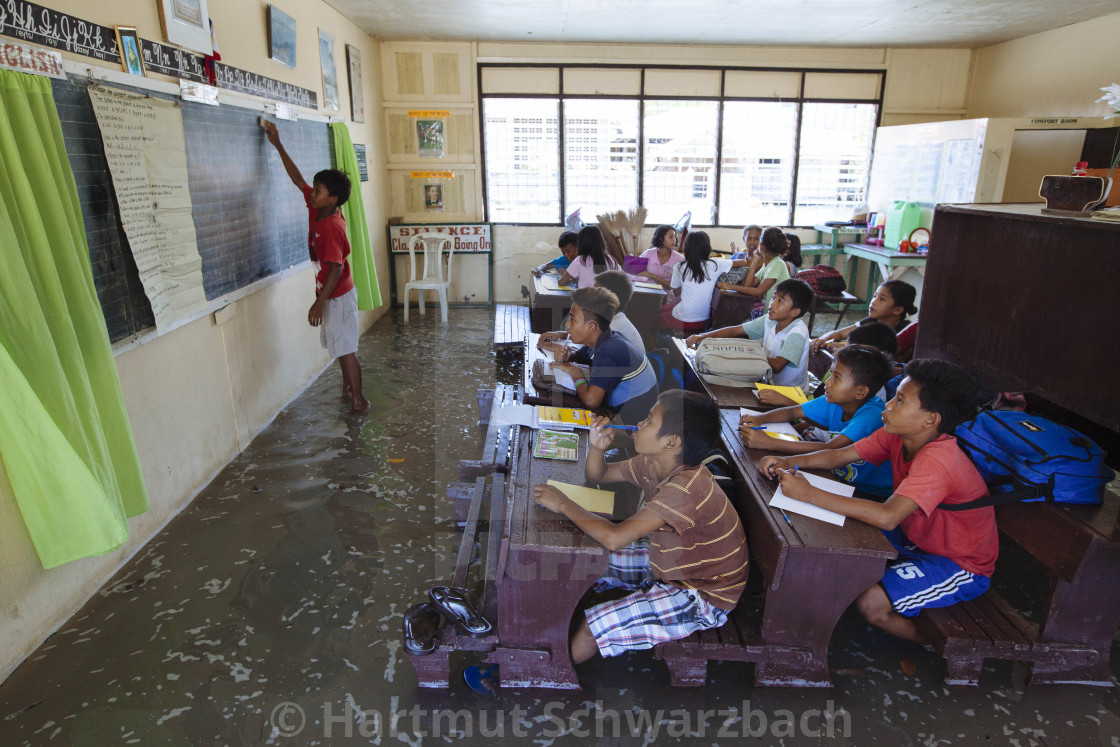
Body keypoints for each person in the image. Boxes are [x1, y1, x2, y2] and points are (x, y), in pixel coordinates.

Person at [757, 359, 996, 645]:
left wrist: (809, 493)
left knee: (871, 603)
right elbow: (837, 456)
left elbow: (887, 517)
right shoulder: (897, 434)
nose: (888, 405)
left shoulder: (939, 459)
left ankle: (942, 651)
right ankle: (802, 613)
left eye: (900, 401)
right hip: (916, 538)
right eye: (895, 396)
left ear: (930, 420)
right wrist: (788, 462)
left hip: (959, 562)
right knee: (843, 535)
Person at [532, 390, 749, 665]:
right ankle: (550, 629)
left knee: (593, 627)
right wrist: (598, 448)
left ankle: (547, 674)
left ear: (671, 442)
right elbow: (598, 474)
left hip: (704, 595)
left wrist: (563, 503)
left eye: (648, 421)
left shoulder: (687, 489)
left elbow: (614, 538)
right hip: (674, 560)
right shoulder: (652, 462)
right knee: (584, 558)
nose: (637, 425)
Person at [262, 120, 368, 414]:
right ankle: (348, 389)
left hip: (337, 294)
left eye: (318, 190)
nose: (312, 192)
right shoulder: (319, 207)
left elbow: (334, 267)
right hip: (331, 293)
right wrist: (277, 144)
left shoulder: (332, 225)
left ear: (332, 199)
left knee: (345, 348)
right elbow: (298, 180)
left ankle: (359, 400)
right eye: (315, 187)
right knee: (339, 344)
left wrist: (318, 303)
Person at [740, 345, 895, 497]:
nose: (827, 382)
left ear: (860, 392)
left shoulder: (872, 415)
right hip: (837, 477)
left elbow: (831, 449)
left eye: (836, 377)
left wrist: (769, 443)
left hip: (871, 492)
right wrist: (758, 419)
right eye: (831, 374)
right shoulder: (834, 400)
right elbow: (793, 411)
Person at [543, 286, 658, 425]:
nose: (567, 324)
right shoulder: (606, 339)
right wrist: (567, 355)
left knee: (559, 419)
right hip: (618, 411)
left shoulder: (610, 351)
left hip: (631, 425)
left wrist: (575, 372)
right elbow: (580, 356)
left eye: (572, 319)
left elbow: (591, 402)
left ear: (591, 327)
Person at [687, 278, 814, 390]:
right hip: (769, 383)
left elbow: (778, 365)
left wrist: (744, 353)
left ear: (795, 312)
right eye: (774, 297)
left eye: (780, 301)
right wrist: (702, 336)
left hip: (791, 392)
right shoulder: (770, 320)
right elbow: (736, 330)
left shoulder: (797, 333)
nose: (772, 303)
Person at [654, 231, 748, 334]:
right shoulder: (715, 264)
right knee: (665, 309)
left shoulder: (680, 266)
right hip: (703, 320)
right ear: (707, 248)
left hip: (683, 320)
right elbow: (743, 263)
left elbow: (676, 293)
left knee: (652, 320)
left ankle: (655, 349)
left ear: (687, 248)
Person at [537, 270, 645, 353]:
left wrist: (557, 348)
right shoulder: (616, 319)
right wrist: (561, 334)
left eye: (595, 297)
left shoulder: (612, 329)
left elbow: (587, 355)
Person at [810, 280, 917, 354]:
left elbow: (884, 354)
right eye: (875, 296)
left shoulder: (905, 330)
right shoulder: (871, 321)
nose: (873, 302)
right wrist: (822, 339)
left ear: (897, 309)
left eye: (882, 299)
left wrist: (849, 348)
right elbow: (839, 333)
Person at [716, 226, 790, 315]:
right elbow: (748, 285)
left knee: (734, 316)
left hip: (779, 315)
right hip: (771, 312)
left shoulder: (777, 264)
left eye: (757, 240)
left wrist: (731, 286)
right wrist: (755, 261)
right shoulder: (768, 264)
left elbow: (758, 292)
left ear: (761, 246)